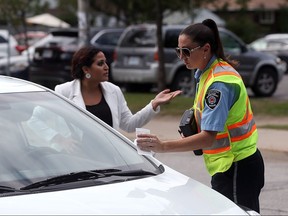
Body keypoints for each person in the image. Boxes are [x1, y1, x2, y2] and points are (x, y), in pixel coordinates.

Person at [136, 19, 265, 213]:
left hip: (236, 166)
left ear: (205, 49)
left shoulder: (218, 84)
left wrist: (163, 146)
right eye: (178, 51)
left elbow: (208, 137)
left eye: (186, 51)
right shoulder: (206, 72)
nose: (181, 57)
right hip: (229, 165)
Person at [27, 45, 181, 151]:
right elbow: (35, 119)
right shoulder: (64, 91)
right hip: (77, 158)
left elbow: (128, 125)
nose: (107, 67)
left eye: (106, 62)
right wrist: (59, 139)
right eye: (100, 64)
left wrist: (153, 104)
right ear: (86, 69)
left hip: (109, 156)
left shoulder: (113, 91)